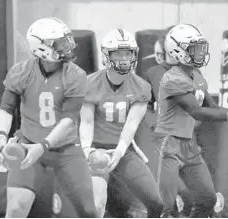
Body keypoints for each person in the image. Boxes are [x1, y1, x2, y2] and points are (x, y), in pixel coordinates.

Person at [155, 23, 228, 217]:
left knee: (207, 199)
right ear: (176, 50)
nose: (199, 51)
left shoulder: (196, 74)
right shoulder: (171, 79)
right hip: (169, 145)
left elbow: (212, 107)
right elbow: (196, 111)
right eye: (193, 47)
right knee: (167, 206)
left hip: (190, 144)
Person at [0, 17, 97, 218]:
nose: (66, 47)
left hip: (66, 149)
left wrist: (43, 146)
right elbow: (6, 109)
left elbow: (69, 121)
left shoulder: (76, 74)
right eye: (59, 43)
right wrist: (0, 136)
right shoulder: (21, 71)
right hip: (27, 144)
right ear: (39, 48)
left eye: (66, 41)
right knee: (16, 209)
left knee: (88, 212)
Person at [79, 28, 163, 218]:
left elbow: (131, 125)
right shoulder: (89, 83)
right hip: (95, 148)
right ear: (107, 55)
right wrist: (87, 150)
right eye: (118, 53)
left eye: (128, 53)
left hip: (123, 150)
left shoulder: (141, 87)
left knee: (156, 203)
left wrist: (119, 150)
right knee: (96, 206)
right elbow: (86, 122)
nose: (124, 58)